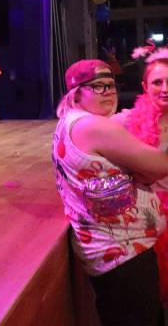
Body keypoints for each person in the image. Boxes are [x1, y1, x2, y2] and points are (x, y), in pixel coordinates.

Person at [52, 59, 168, 326]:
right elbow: (161, 165)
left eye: (110, 85)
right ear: (76, 93)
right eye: (97, 86)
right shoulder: (94, 126)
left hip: (112, 251)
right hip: (123, 255)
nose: (107, 92)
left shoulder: (71, 121)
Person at [113, 43, 168, 304]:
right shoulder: (127, 120)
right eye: (157, 82)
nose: (165, 89)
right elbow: (91, 129)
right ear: (145, 87)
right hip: (149, 216)